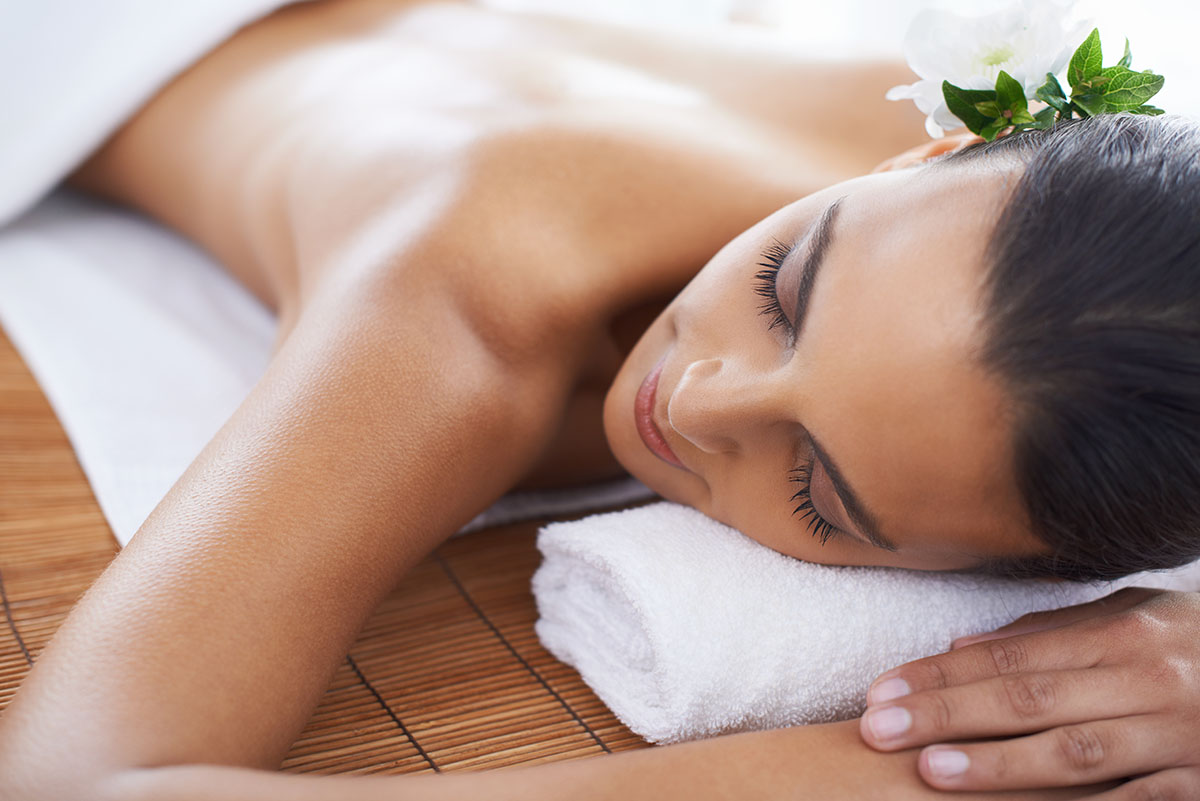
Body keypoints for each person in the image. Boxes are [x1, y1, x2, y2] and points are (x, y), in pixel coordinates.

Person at [0, 0, 1197, 798]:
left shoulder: (1041, 230)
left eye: (814, 487)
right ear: (923, 158)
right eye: (787, 286)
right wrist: (941, 758)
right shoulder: (471, 297)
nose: (700, 398)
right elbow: (82, 786)